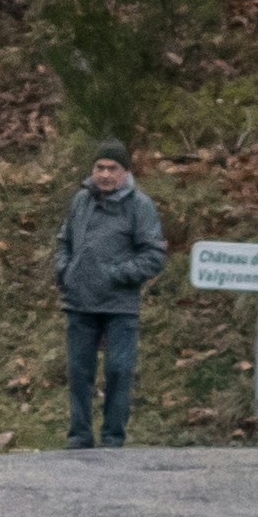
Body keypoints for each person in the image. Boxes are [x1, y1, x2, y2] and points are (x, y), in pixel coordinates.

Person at [50, 141, 167, 449]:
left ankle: (113, 438)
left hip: (120, 305)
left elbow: (154, 255)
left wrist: (115, 275)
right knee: (79, 373)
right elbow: (64, 241)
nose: (104, 174)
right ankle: (79, 436)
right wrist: (65, 270)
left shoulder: (140, 205)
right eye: (99, 167)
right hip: (79, 302)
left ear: (125, 172)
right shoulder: (81, 200)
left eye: (112, 168)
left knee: (119, 370)